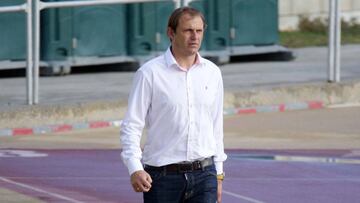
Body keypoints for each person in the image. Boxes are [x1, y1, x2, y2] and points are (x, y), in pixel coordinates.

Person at [120, 6, 227, 203]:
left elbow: (216, 126)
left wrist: (218, 174)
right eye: (188, 30)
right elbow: (131, 125)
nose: (194, 37)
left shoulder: (212, 73)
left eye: (199, 31)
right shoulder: (149, 73)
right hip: (162, 178)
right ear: (171, 32)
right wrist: (134, 167)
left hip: (205, 176)